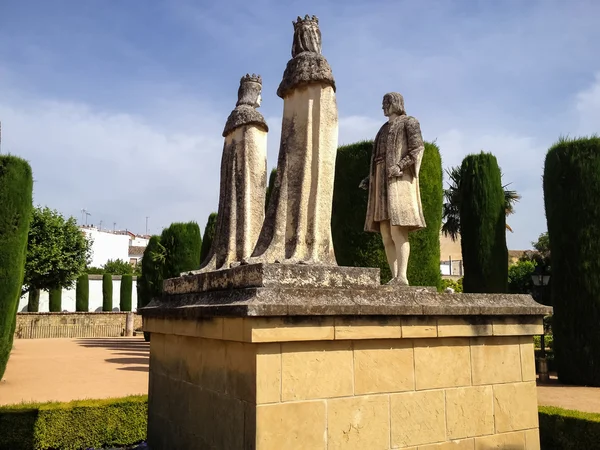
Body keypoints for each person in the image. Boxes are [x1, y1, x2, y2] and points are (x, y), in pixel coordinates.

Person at [360, 92, 426, 285]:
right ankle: (394, 276)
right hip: (380, 181)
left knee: (398, 230)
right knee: (386, 234)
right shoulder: (382, 129)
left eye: (385, 103)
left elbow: (417, 149)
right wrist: (370, 178)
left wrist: (400, 166)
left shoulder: (409, 122)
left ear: (395, 103)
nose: (383, 107)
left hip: (398, 182)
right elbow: (378, 158)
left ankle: (402, 277)